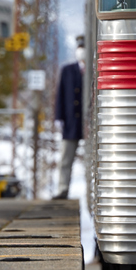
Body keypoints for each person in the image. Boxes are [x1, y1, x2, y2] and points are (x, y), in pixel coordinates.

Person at [53, 36, 85, 199]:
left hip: (88, 124)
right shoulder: (67, 70)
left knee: (92, 160)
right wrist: (59, 117)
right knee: (66, 159)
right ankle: (62, 189)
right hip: (71, 122)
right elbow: (60, 95)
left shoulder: (94, 70)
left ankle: (91, 191)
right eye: (80, 46)